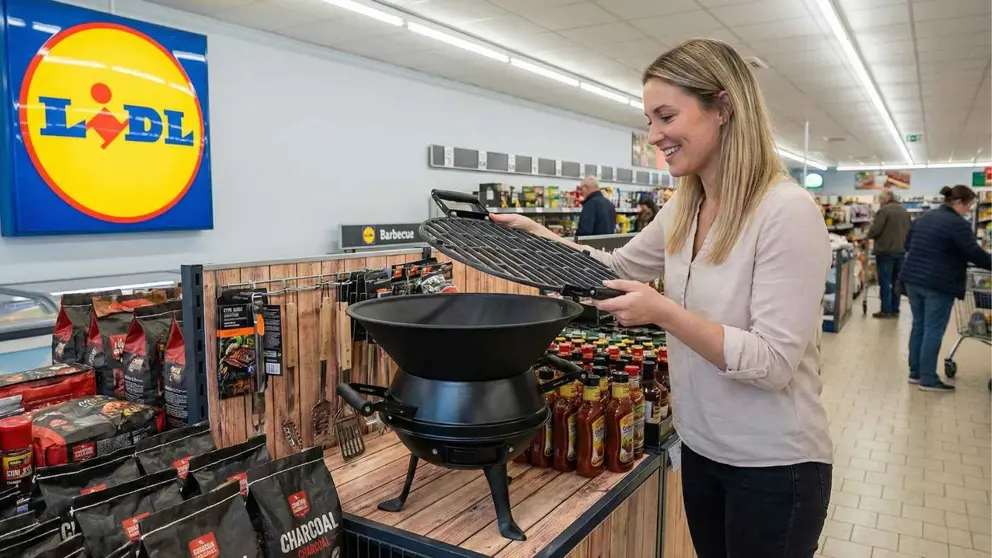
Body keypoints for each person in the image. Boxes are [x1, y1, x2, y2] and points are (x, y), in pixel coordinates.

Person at [493, 39, 832, 558]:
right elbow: (618, 268)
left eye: (666, 116)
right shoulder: (684, 207)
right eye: (649, 120)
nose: (654, 136)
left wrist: (664, 313)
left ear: (723, 107)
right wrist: (539, 237)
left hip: (773, 465)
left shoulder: (786, 212)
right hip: (700, 447)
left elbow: (773, 362)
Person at [899, 185, 992, 392]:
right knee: (933, 328)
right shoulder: (957, 224)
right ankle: (928, 379)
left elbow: (907, 244)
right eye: (968, 206)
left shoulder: (925, 217)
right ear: (958, 203)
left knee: (920, 326)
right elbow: (973, 253)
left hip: (913, 279)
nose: (969, 210)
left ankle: (915, 373)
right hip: (938, 283)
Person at [867, 189, 911, 318]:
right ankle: (895, 309)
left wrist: (869, 233)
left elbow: (875, 230)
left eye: (880, 199)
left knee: (885, 282)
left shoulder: (884, 211)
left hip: (886, 251)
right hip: (901, 251)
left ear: (885, 199)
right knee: (897, 281)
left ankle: (886, 309)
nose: (879, 202)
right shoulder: (904, 211)